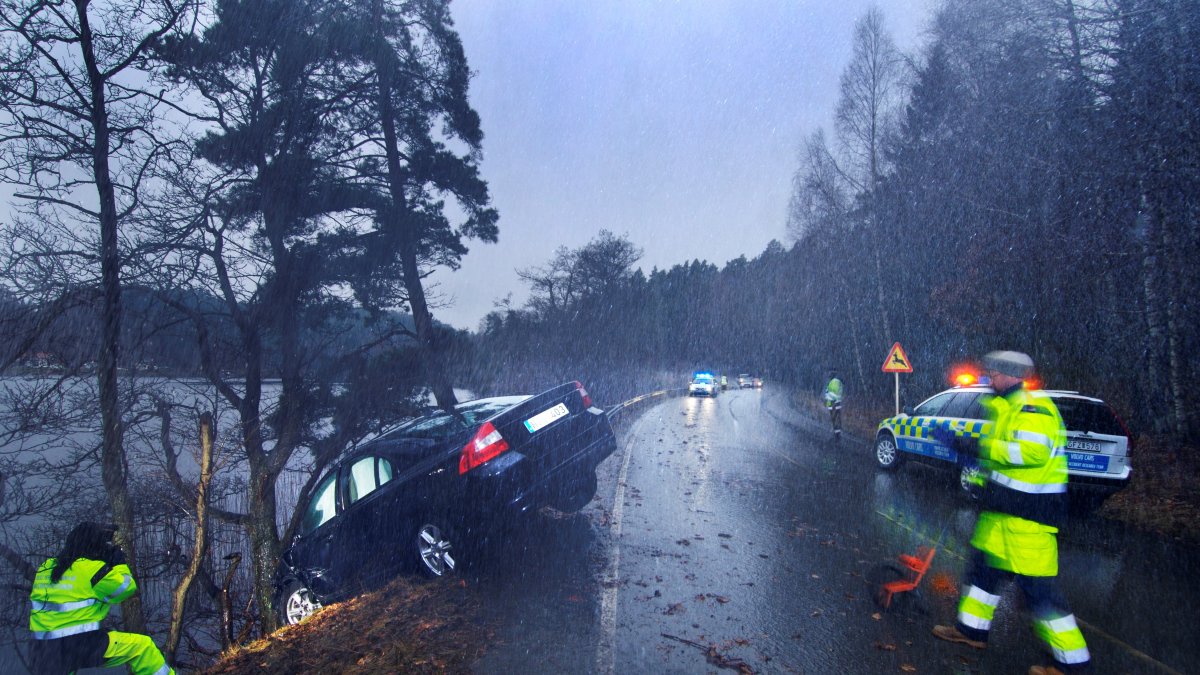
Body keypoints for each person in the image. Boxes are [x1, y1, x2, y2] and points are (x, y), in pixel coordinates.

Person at [931, 351, 1090, 675]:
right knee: (981, 575)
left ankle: (1073, 665)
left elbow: (1031, 452)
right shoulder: (1005, 407)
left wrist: (975, 446)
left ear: (1012, 376)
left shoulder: (1033, 408)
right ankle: (971, 631)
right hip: (1000, 516)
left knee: (1040, 596)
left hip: (1028, 521)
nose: (990, 377)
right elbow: (1000, 463)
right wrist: (977, 472)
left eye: (994, 373)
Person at [29, 522, 175, 675]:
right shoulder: (92, 570)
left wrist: (100, 536)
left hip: (41, 649)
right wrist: (118, 563)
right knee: (142, 647)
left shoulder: (45, 568)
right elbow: (126, 589)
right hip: (79, 644)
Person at [823, 370, 844, 434]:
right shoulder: (839, 382)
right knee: (837, 414)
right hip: (838, 401)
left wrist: (826, 403)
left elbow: (827, 392)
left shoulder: (829, 382)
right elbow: (841, 390)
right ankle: (839, 429)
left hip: (831, 401)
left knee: (833, 416)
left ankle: (835, 429)